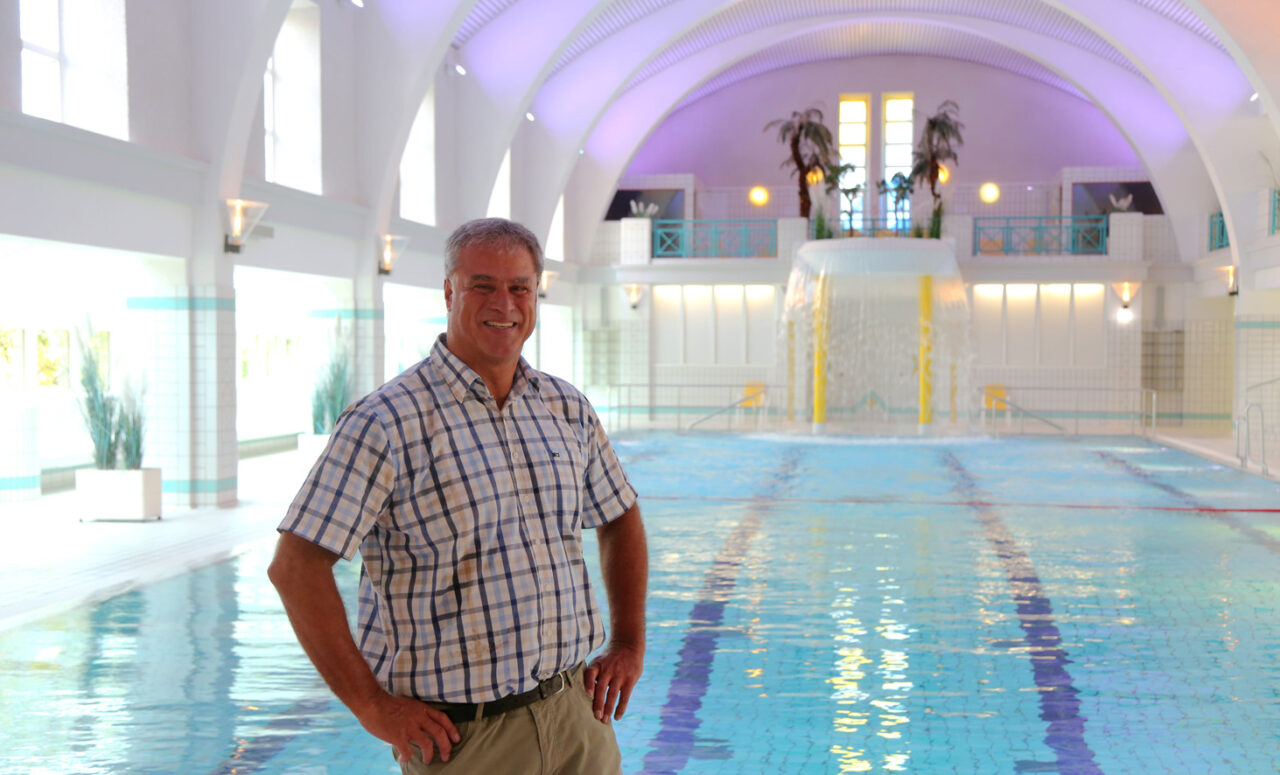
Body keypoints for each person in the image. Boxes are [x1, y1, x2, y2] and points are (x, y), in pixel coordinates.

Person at [268, 218, 648, 773]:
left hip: (578, 719)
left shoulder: (565, 408)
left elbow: (620, 516)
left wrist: (628, 643)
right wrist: (372, 708)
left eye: (519, 286)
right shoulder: (387, 422)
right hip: (465, 741)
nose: (505, 303)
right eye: (483, 285)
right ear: (449, 291)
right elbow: (296, 566)